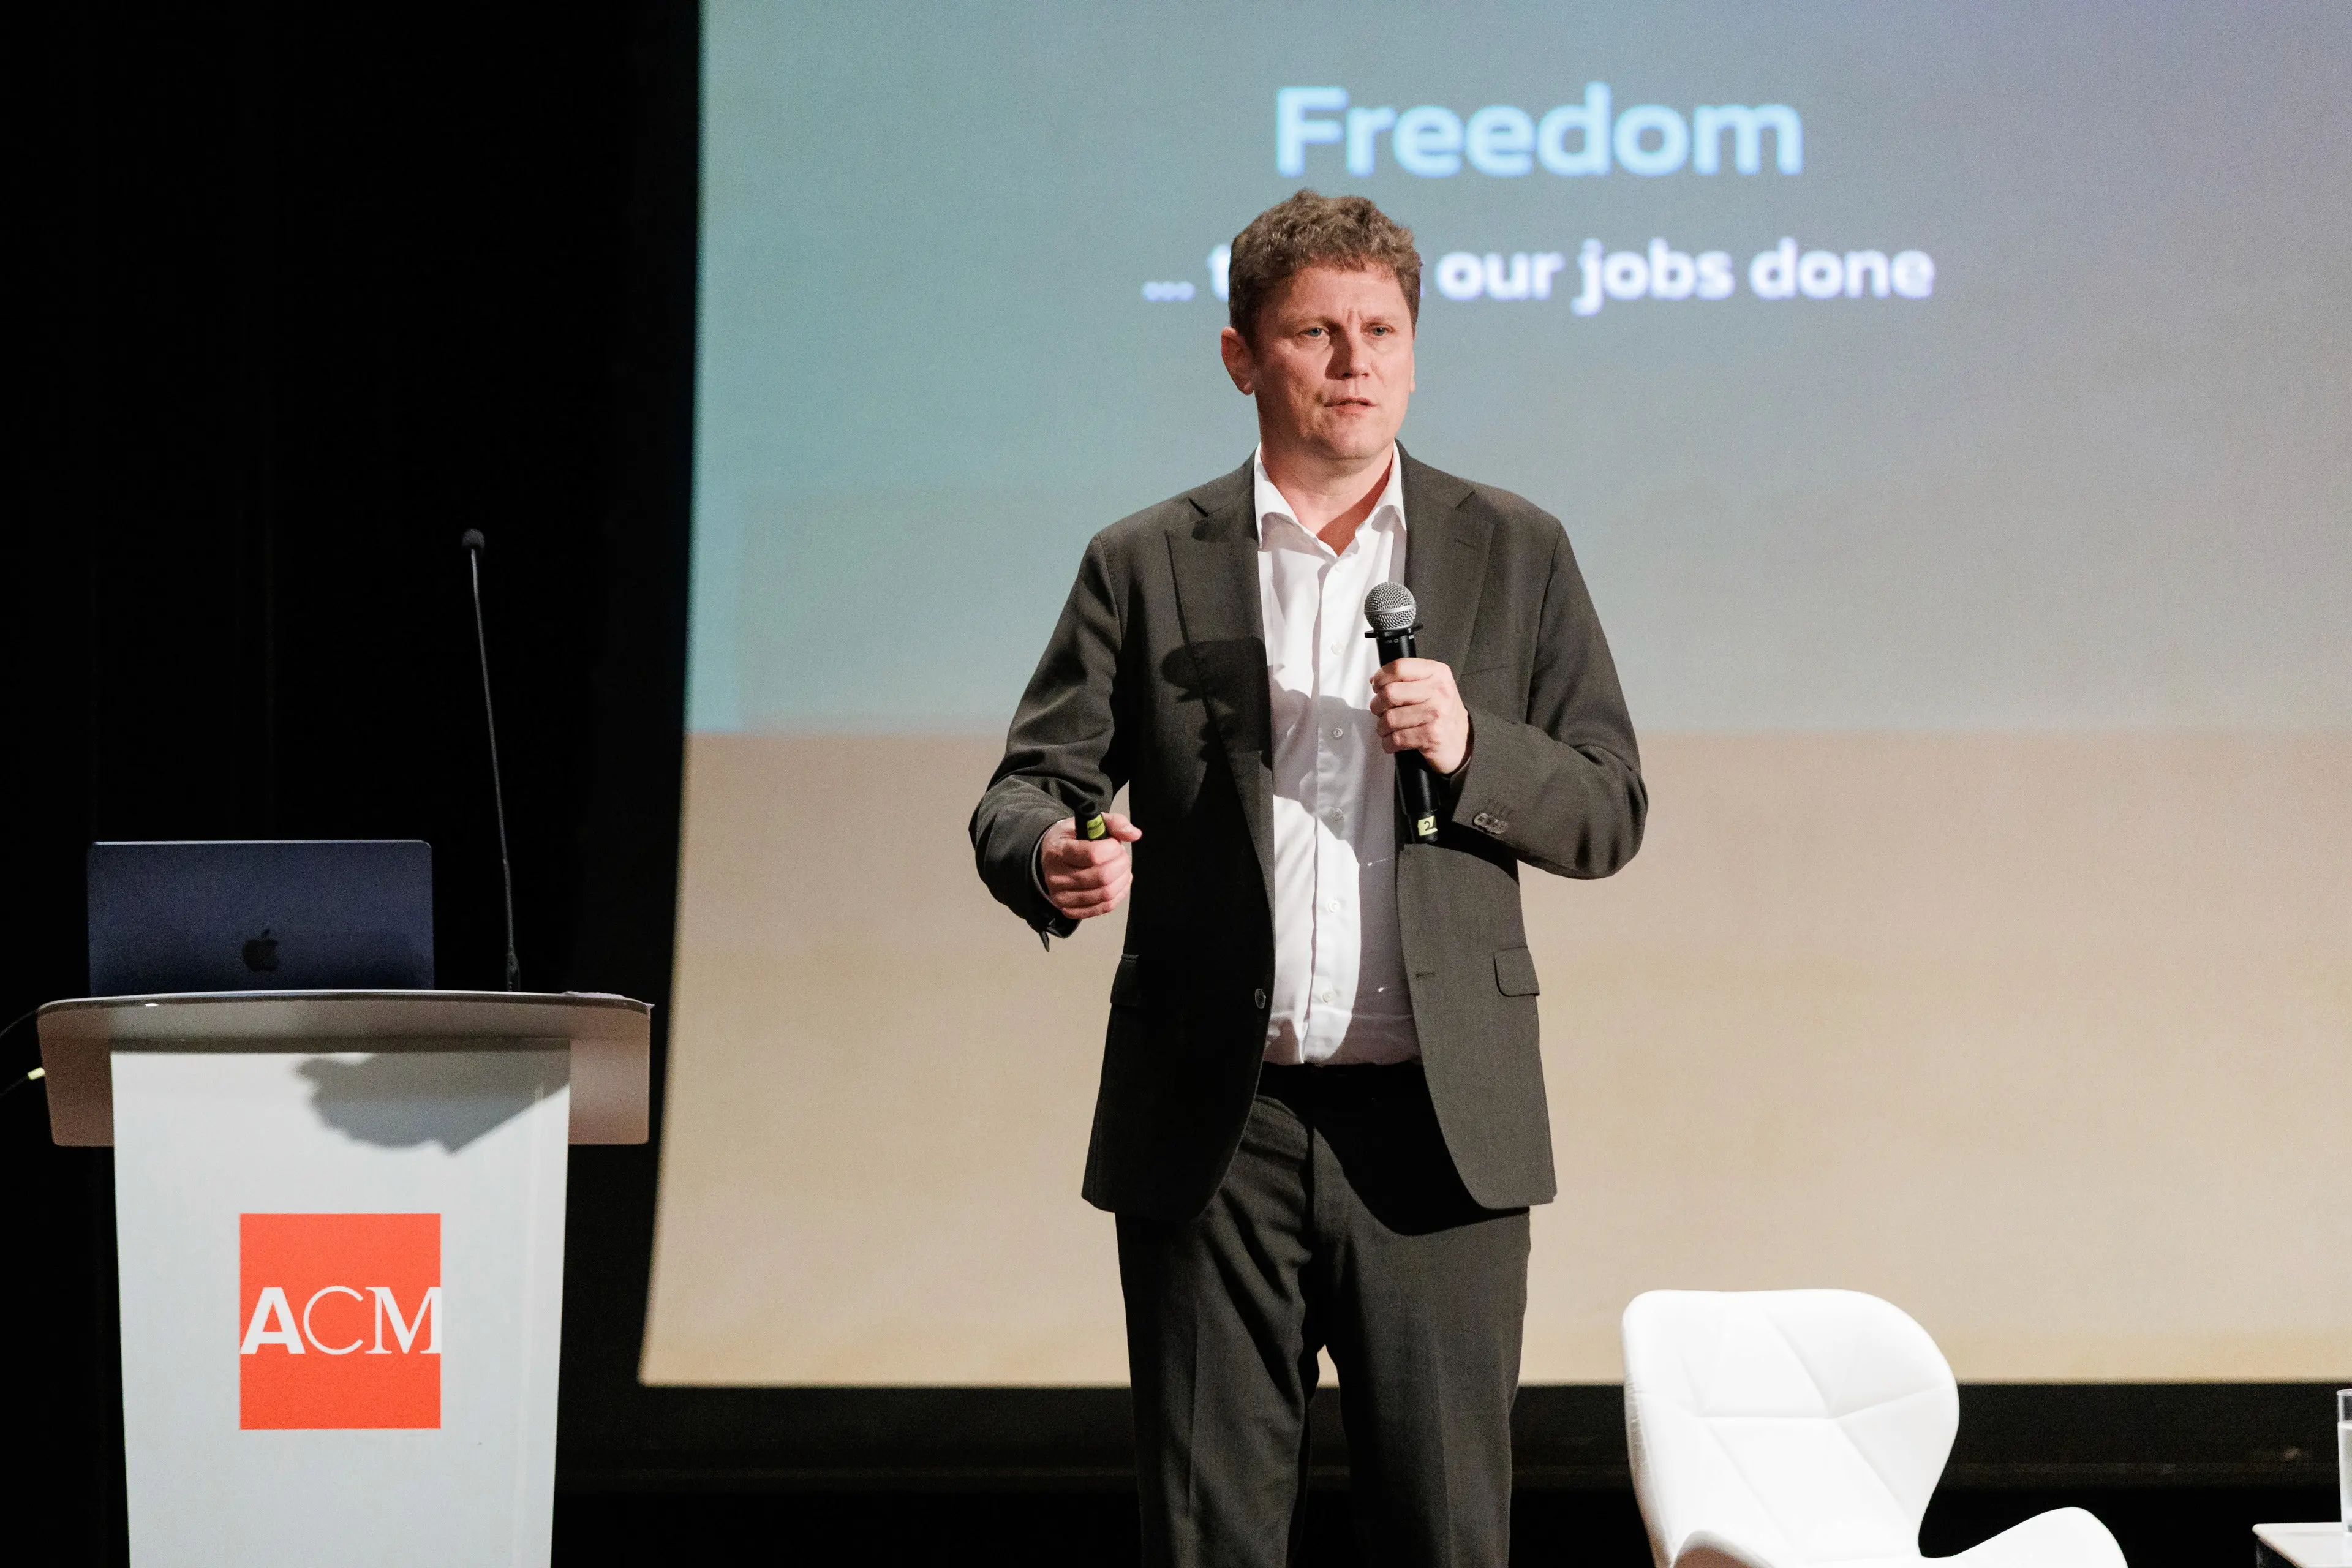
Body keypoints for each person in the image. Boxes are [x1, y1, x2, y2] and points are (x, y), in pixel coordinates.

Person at [970, 190, 1646, 1567]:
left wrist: (1471, 746)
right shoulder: (1147, 560)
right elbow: (1026, 786)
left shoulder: (1514, 548)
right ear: (1240, 355)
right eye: (1317, 332)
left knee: (1450, 1532)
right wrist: (1053, 853)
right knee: (1211, 1536)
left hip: (1439, 1129)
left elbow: (1609, 805)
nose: (1356, 361)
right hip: (1223, 1124)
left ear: (1416, 348)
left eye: (1383, 331)